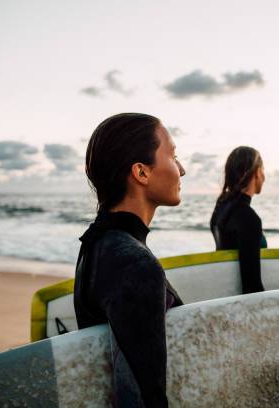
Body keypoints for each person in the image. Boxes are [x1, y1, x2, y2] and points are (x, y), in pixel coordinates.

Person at [74, 113, 185, 408]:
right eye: (173, 156)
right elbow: (141, 397)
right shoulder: (133, 263)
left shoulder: (98, 243)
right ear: (142, 172)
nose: (182, 170)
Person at [210, 146, 267, 294]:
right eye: (263, 170)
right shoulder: (248, 218)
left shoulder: (222, 207)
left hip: (224, 293)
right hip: (240, 301)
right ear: (255, 173)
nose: (264, 177)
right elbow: (252, 286)